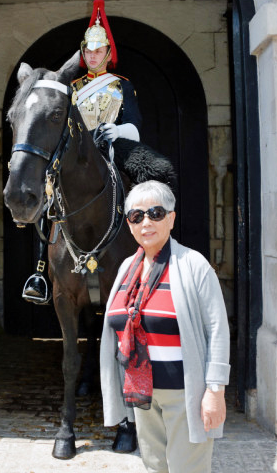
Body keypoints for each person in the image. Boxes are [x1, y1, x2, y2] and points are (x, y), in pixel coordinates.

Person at [23, 0, 174, 303]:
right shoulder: (72, 87)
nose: (93, 56)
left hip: (116, 145)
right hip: (77, 150)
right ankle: (41, 271)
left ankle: (158, 259)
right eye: (88, 52)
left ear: (107, 53)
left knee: (155, 184)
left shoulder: (122, 86)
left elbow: (135, 124)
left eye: (98, 51)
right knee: (46, 195)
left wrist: (117, 130)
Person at [100, 180, 230, 473]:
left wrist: (215, 390)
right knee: (154, 467)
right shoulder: (126, 270)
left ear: (171, 218)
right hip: (143, 393)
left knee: (188, 469)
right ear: (130, 224)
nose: (146, 222)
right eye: (137, 216)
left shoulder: (193, 265)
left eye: (155, 213)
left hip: (186, 394)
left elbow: (218, 330)